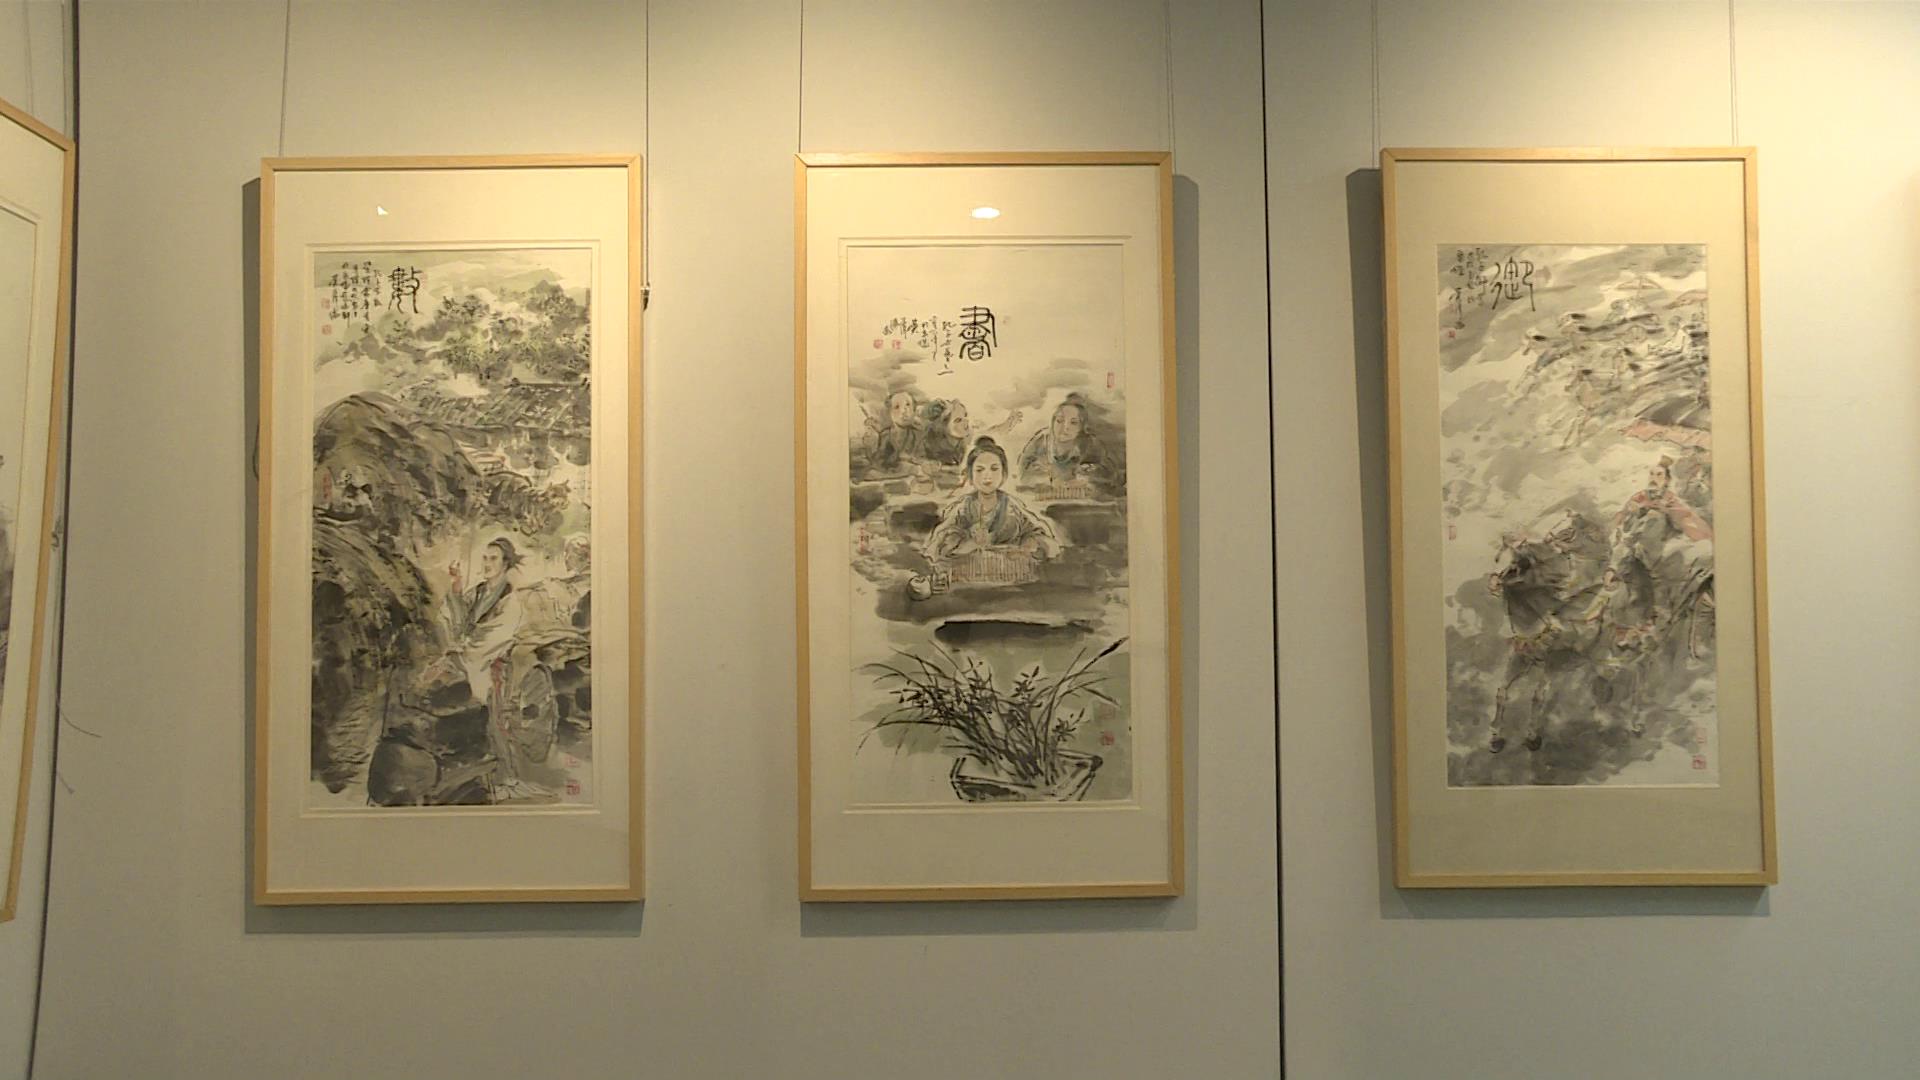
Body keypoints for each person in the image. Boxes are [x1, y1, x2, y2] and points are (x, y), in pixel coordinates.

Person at [444, 536, 548, 802]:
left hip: (491, 665)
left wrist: (463, 649)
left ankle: (504, 777)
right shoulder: (478, 593)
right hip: (471, 660)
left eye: (494, 559)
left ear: (505, 564)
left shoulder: (510, 602)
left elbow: (491, 638)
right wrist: (456, 587)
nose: (487, 563)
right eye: (485, 558)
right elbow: (459, 624)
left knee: (491, 717)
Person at [922, 437, 1062, 570]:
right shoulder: (962, 509)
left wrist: (1028, 545)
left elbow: (1041, 534)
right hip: (968, 571)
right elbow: (938, 545)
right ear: (970, 475)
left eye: (994, 469)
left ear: (1004, 474)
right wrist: (970, 544)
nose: (987, 476)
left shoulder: (1013, 507)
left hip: (1010, 571)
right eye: (980, 470)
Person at [1018, 394, 1111, 493]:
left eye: (1073, 423)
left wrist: (1086, 478)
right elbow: (1022, 469)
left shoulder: (1090, 443)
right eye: (1059, 421)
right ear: (1053, 422)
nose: (1065, 427)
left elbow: (1109, 473)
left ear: (1082, 427)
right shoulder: (1042, 440)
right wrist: (1044, 479)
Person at [864, 390, 922, 474]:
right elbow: (879, 461)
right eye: (897, 407)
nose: (904, 411)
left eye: (908, 405)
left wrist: (914, 460)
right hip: (893, 473)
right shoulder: (886, 435)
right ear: (890, 413)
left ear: (914, 411)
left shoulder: (918, 434)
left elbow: (922, 457)